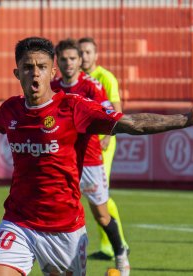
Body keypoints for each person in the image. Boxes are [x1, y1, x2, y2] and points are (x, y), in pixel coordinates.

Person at [0, 36, 193, 276]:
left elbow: (132, 123)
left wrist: (185, 120)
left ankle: (120, 254)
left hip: (64, 228)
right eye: (27, 67)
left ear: (52, 72)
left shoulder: (73, 108)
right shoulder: (11, 109)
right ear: (17, 73)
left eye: (42, 67)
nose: (35, 73)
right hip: (19, 221)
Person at [51, 38, 130, 274]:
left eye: (72, 58)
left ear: (79, 60)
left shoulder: (92, 86)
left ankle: (121, 256)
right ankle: (64, 264)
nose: (68, 63)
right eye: (63, 59)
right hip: (63, 161)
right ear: (57, 61)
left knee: (102, 216)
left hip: (90, 160)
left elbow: (109, 114)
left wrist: (105, 133)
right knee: (60, 213)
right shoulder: (52, 87)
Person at [78, 36, 129, 260]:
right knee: (89, 196)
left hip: (102, 142)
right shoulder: (75, 79)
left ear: (96, 55)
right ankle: (108, 245)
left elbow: (116, 109)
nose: (84, 57)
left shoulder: (105, 77)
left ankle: (119, 245)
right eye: (81, 53)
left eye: (88, 52)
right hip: (82, 144)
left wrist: (108, 134)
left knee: (101, 196)